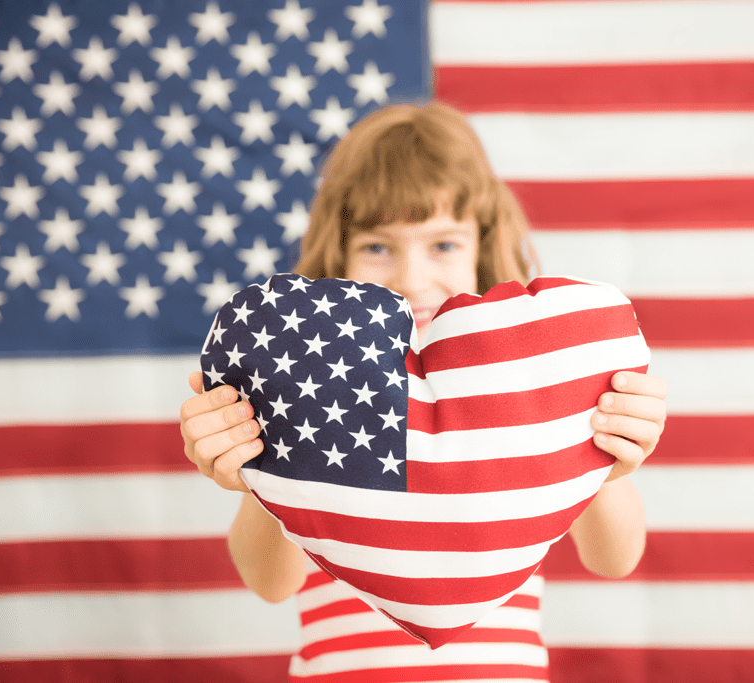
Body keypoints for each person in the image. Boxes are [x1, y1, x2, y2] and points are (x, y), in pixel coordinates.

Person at [180, 102, 669, 681]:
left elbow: (613, 560)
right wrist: (258, 470)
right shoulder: (311, 387)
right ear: (338, 253)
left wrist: (606, 462)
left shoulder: (527, 383)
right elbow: (270, 583)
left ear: (482, 246)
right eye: (378, 248)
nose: (411, 278)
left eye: (443, 245)